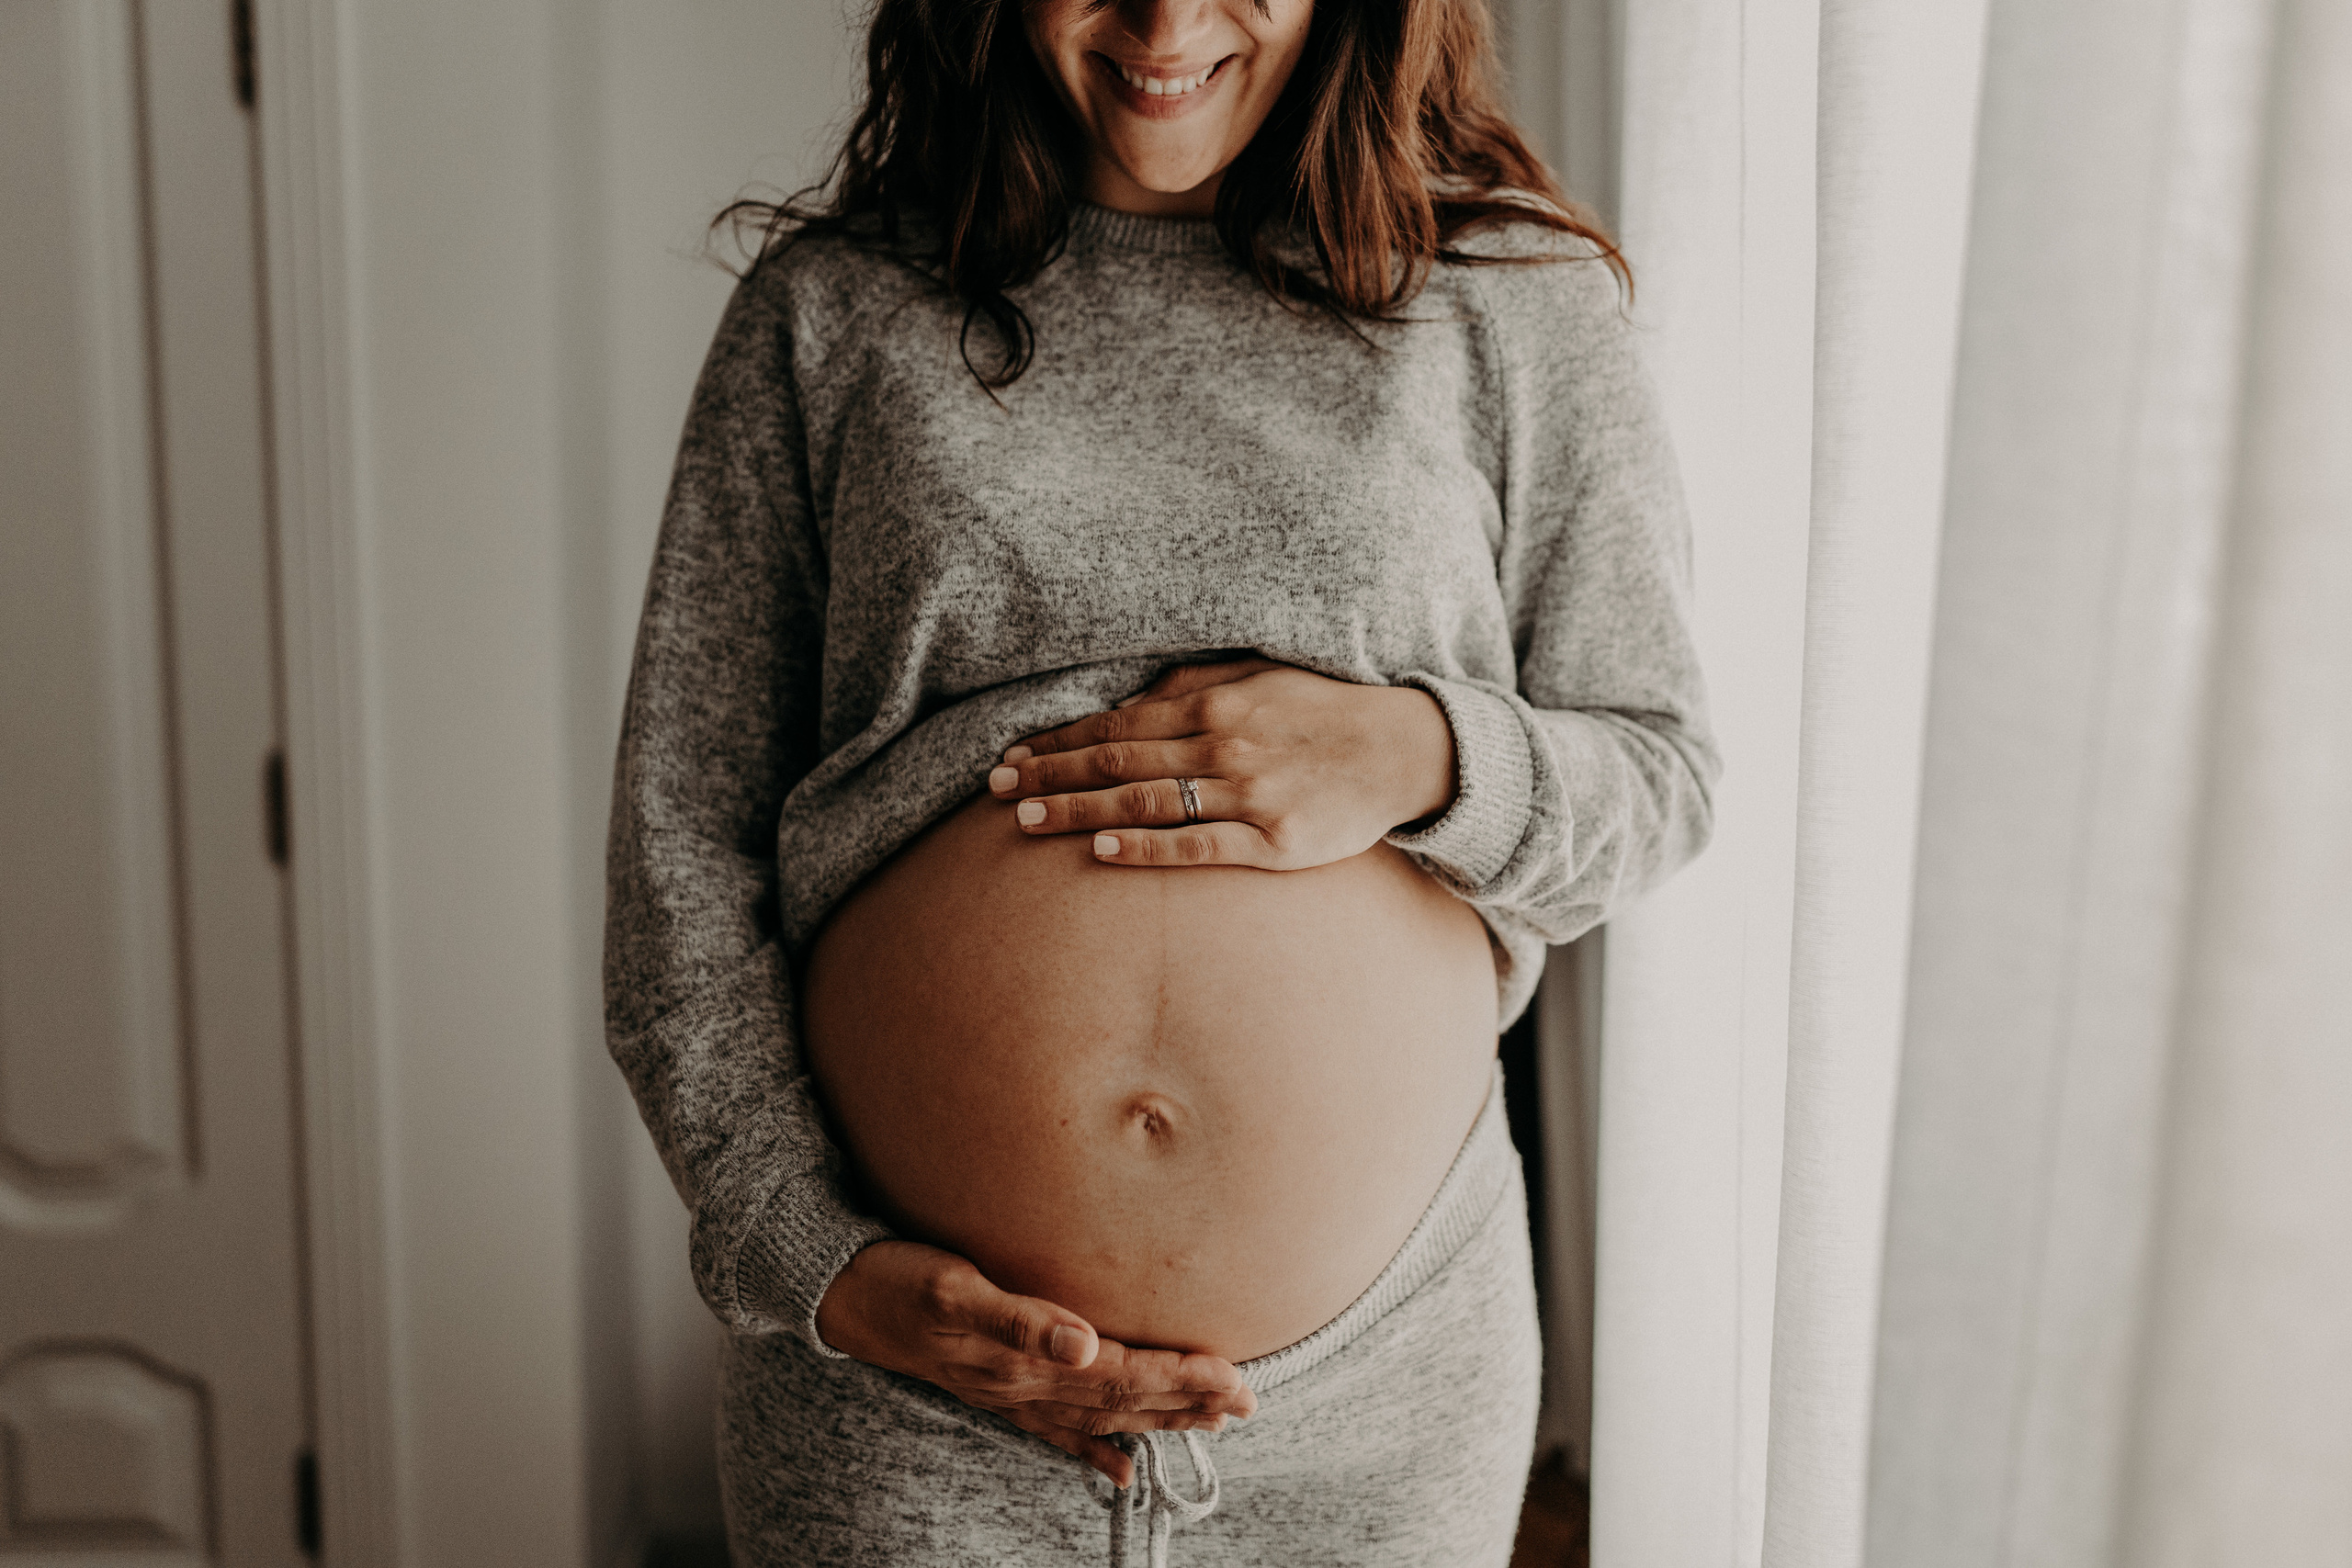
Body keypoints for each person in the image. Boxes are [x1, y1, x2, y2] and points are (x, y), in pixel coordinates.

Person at [604, 0, 1715, 1562]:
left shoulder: (1507, 298)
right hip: (911, 1407)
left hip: (1378, 1405)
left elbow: (1658, 776)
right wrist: (816, 1262)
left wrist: (1416, 755)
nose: (1168, 20)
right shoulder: (833, 314)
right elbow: (681, 853)